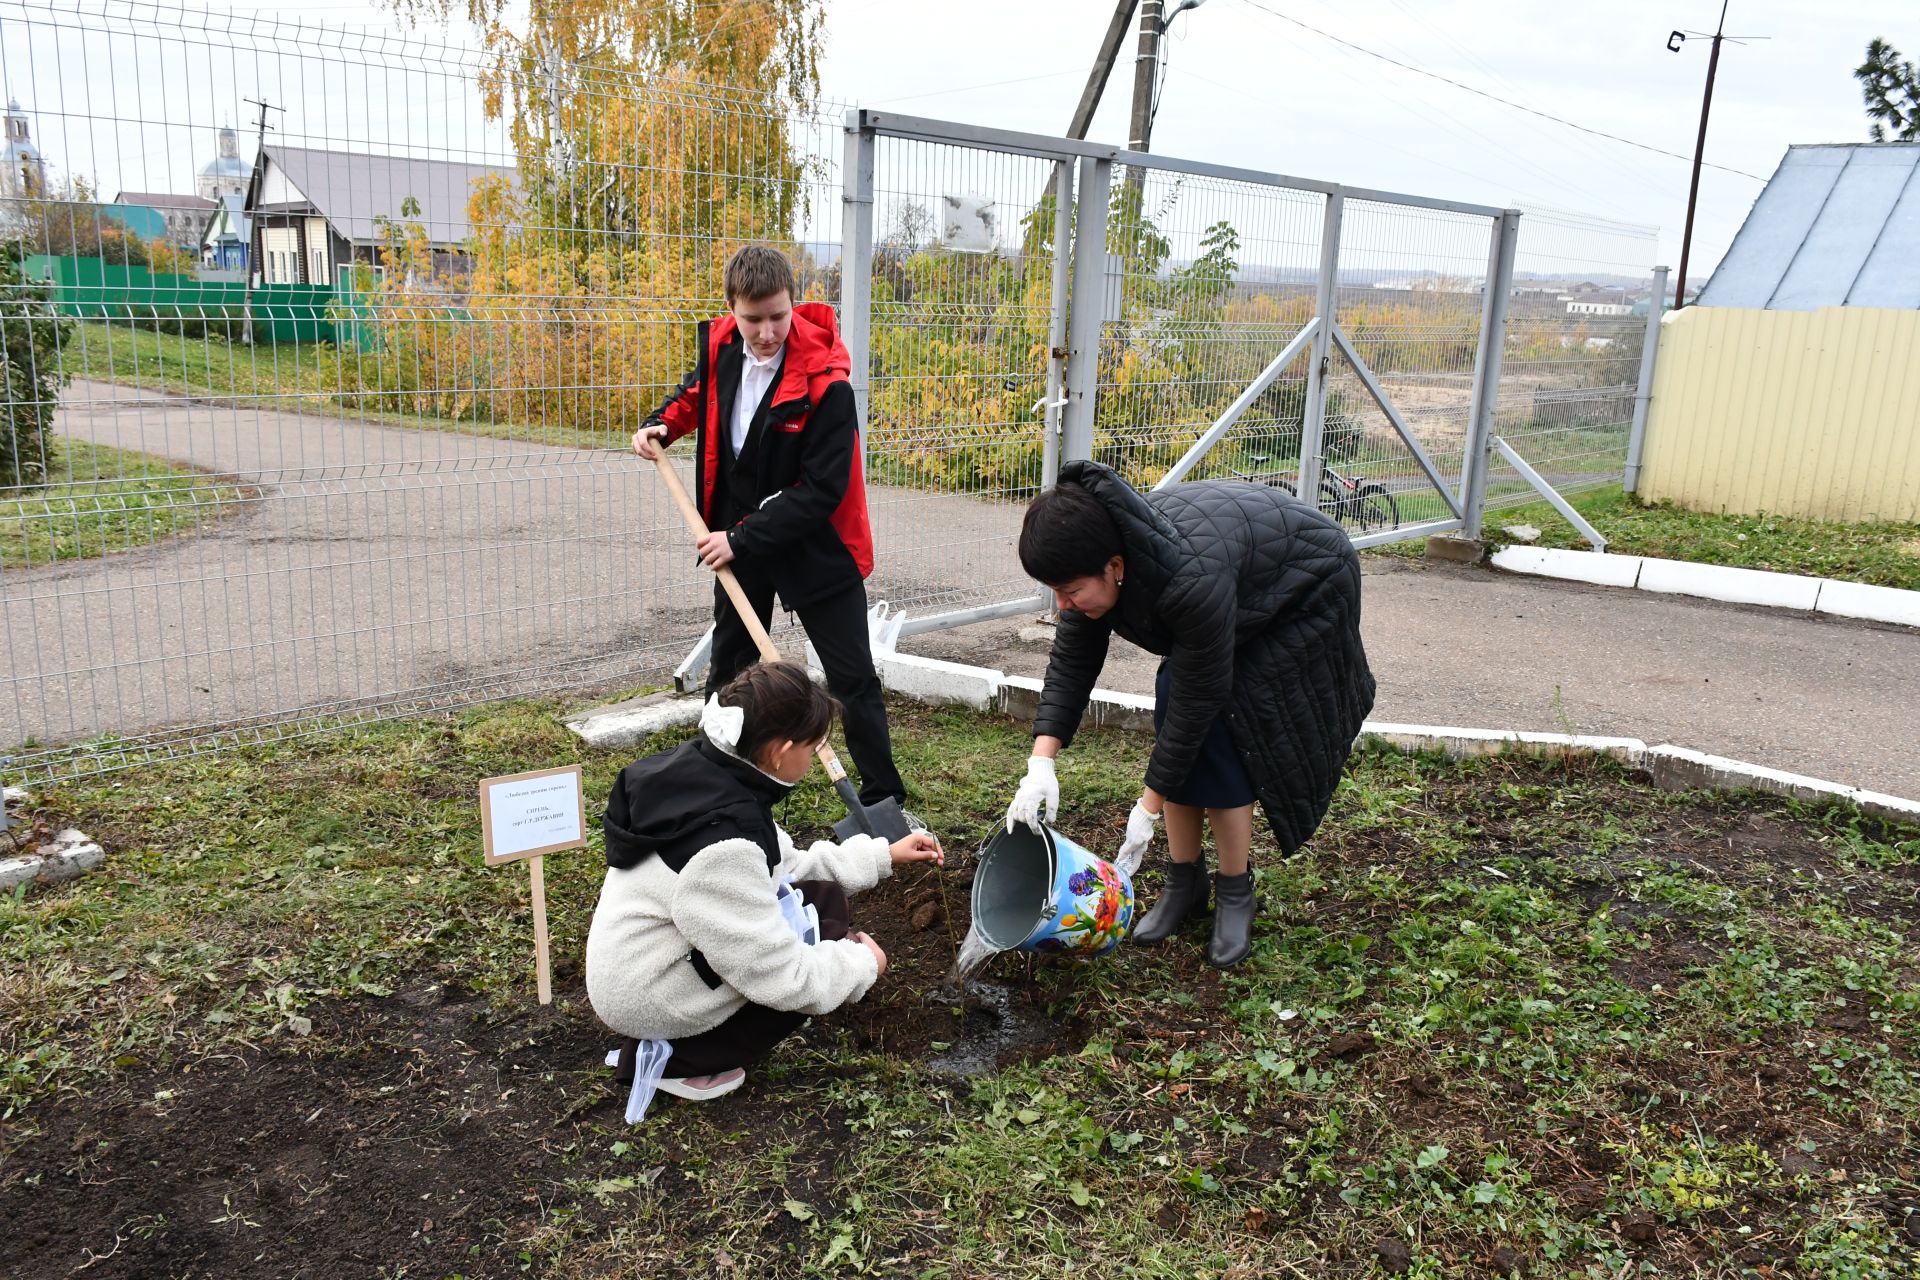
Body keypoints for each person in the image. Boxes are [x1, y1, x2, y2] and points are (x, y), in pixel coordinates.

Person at [1004, 460, 1375, 968]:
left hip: (1304, 588)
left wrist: (1146, 810)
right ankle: (1185, 881)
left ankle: (1234, 888)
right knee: (1175, 693)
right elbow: (1072, 663)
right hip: (1233, 573)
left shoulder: (1187, 579)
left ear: (1114, 566)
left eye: (1070, 591)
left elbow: (1199, 701)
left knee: (1226, 722)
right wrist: (1040, 764)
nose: (1062, 604)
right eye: (1055, 591)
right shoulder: (1095, 562)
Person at [586, 660, 942, 1114]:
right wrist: (861, 966)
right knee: (795, 977)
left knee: (821, 899)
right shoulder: (721, 849)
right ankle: (680, 1061)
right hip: (648, 995)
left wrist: (882, 855)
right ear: (781, 751)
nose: (813, 762)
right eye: (813, 750)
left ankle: (698, 1033)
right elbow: (783, 977)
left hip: (655, 956)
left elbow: (786, 866)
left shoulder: (716, 775)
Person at [633, 244, 905, 810]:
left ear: (793, 303)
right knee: (730, 669)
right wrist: (661, 423)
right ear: (732, 309)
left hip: (814, 543)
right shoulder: (723, 349)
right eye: (752, 319)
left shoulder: (827, 381)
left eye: (778, 316)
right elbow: (696, 393)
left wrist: (739, 538)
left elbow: (822, 490)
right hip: (739, 539)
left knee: (851, 678)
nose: (765, 332)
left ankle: (884, 803)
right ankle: (714, 787)